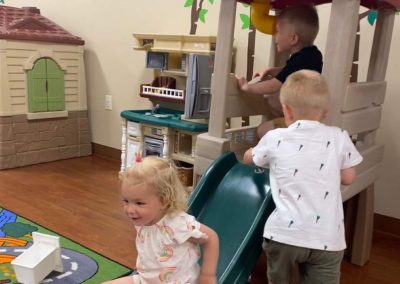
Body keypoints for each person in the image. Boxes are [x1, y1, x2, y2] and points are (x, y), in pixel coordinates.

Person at [243, 70, 363, 284]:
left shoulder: (275, 137)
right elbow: (348, 177)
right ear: (326, 112)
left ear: (286, 111)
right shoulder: (338, 136)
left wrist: (250, 152)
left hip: (284, 236)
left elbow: (251, 159)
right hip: (327, 237)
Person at [104, 156, 219, 284]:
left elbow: (211, 238)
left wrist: (208, 276)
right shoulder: (143, 220)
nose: (130, 209)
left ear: (163, 201)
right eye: (126, 201)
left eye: (139, 203)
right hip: (145, 280)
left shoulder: (178, 223)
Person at [237, 4, 322, 138]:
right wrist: (273, 70)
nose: (274, 36)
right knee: (272, 100)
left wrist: (249, 87)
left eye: (277, 31)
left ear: (293, 38)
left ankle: (288, 143)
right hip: (309, 113)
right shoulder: (312, 54)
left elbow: (274, 85)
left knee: (262, 131)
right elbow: (291, 72)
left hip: (302, 120)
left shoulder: (299, 58)